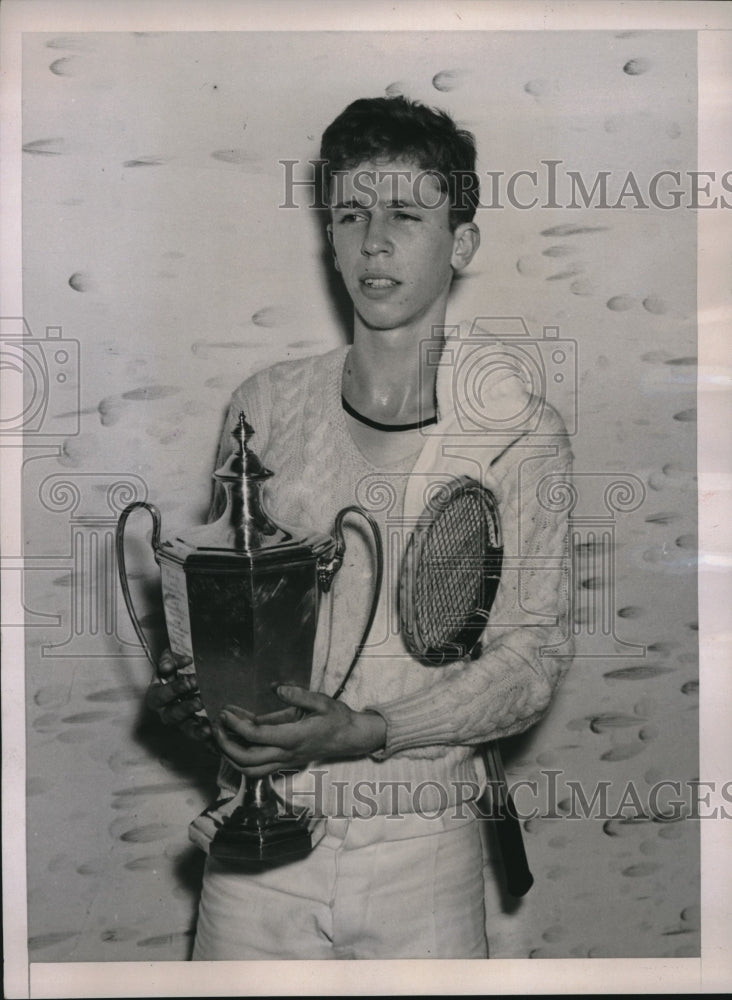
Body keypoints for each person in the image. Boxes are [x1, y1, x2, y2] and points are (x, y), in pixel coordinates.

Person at [147, 95, 573, 960]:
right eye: (350, 214)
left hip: (424, 851)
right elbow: (216, 622)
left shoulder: (520, 431)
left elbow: (532, 663)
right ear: (330, 237)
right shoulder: (264, 407)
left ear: (461, 243)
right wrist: (207, 695)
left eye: (406, 214)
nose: (373, 240)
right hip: (257, 855)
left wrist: (371, 730)